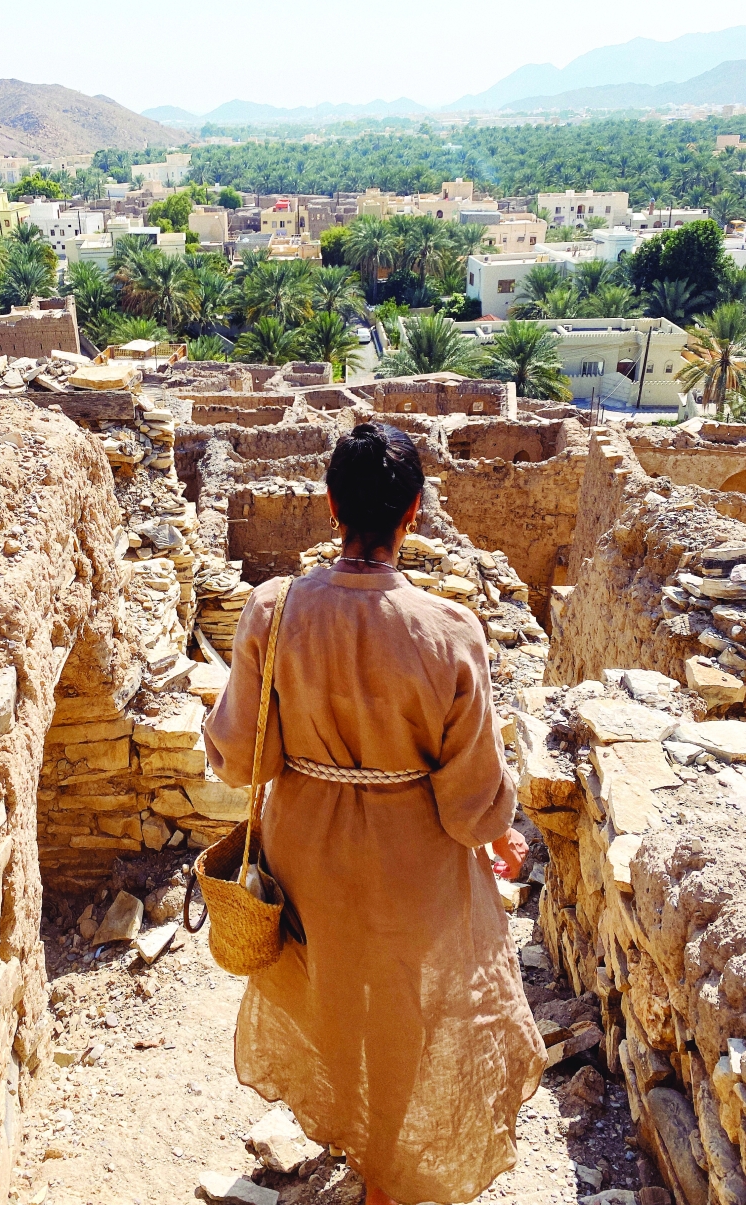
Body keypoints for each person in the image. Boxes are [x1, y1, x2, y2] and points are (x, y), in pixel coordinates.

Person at [203, 422, 545, 1205]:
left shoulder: (273, 610)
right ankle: (385, 1169)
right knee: (400, 1010)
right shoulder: (451, 630)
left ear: (330, 505)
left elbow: (241, 760)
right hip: (411, 865)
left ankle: (346, 1132)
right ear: (414, 512)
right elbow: (470, 798)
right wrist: (498, 834)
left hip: (306, 858)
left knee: (332, 991)